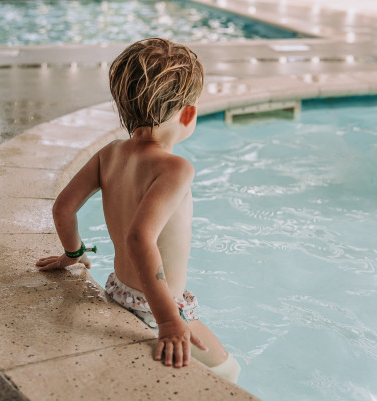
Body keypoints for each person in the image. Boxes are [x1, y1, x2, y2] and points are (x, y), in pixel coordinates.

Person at [36, 38, 240, 383]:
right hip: (155, 306)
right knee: (227, 371)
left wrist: (73, 254)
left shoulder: (110, 153)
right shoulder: (175, 168)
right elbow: (139, 239)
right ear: (189, 113)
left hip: (117, 289)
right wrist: (170, 320)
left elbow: (63, 208)